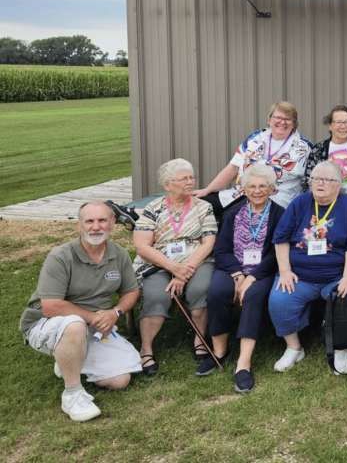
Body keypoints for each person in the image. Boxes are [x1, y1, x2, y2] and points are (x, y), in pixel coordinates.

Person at [20, 202, 142, 422]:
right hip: (47, 323)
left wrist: (115, 313)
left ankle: (68, 357)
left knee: (119, 380)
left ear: (113, 223)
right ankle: (73, 394)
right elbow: (51, 306)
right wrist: (96, 318)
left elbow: (131, 291)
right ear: (79, 226)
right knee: (74, 324)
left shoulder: (119, 254)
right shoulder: (60, 256)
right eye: (89, 221)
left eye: (102, 220)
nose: (96, 226)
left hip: (94, 327)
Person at [268, 161, 347, 376]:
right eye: (315, 179)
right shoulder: (299, 203)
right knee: (279, 299)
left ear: (338, 184)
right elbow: (281, 238)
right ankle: (294, 348)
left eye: (326, 180)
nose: (319, 183)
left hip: (338, 274)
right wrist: (285, 271)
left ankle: (341, 348)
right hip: (300, 275)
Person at [133, 159, 218, 377]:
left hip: (196, 261)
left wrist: (186, 270)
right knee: (156, 295)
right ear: (167, 184)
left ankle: (200, 338)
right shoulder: (153, 209)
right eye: (184, 179)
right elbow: (142, 245)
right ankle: (146, 349)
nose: (190, 182)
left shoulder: (203, 207)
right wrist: (172, 267)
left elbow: (208, 243)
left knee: (200, 289)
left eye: (192, 178)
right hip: (159, 263)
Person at [205, 164, 285, 392]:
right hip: (233, 268)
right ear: (244, 189)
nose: (257, 190)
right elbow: (221, 250)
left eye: (263, 186)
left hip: (264, 271)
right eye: (251, 186)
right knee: (217, 292)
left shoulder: (280, 215)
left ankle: (244, 363)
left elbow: (278, 253)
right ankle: (220, 351)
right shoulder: (232, 215)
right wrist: (238, 275)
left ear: (272, 189)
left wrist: (252, 278)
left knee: (252, 296)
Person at [194, 101, 312, 221]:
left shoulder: (304, 147)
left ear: (294, 123)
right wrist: (207, 190)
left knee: (231, 217)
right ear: (269, 119)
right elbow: (233, 167)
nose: (282, 122)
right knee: (197, 205)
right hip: (241, 192)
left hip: (275, 199)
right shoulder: (256, 138)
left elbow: (310, 182)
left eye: (288, 119)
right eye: (278, 117)